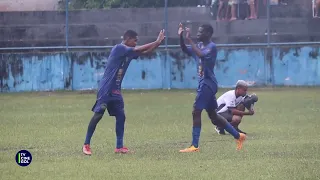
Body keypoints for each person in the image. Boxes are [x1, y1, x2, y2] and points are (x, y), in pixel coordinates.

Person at [82, 29, 165, 155]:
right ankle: (86, 144)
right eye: (135, 40)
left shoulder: (129, 52)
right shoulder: (119, 48)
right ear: (127, 39)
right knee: (99, 114)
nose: (136, 43)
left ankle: (119, 147)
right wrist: (156, 41)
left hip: (116, 90)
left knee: (121, 116)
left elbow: (145, 52)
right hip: (106, 89)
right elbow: (138, 49)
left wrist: (158, 43)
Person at [178, 23, 246, 153]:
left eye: (200, 31)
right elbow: (185, 49)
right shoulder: (198, 46)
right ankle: (239, 136)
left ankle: (194, 145)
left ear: (208, 34)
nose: (198, 34)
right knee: (214, 116)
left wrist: (190, 40)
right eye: (197, 31)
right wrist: (181, 37)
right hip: (204, 83)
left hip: (207, 84)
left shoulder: (211, 47)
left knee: (196, 111)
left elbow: (202, 55)